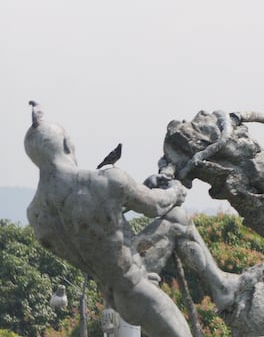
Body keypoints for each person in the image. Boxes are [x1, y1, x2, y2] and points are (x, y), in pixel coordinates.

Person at [24, 103, 193, 337]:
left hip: (111, 296)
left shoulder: (36, 215)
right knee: (178, 217)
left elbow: (95, 232)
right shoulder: (106, 179)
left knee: (176, 220)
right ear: (66, 145)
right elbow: (156, 205)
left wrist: (136, 190)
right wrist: (176, 191)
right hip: (138, 291)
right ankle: (223, 289)